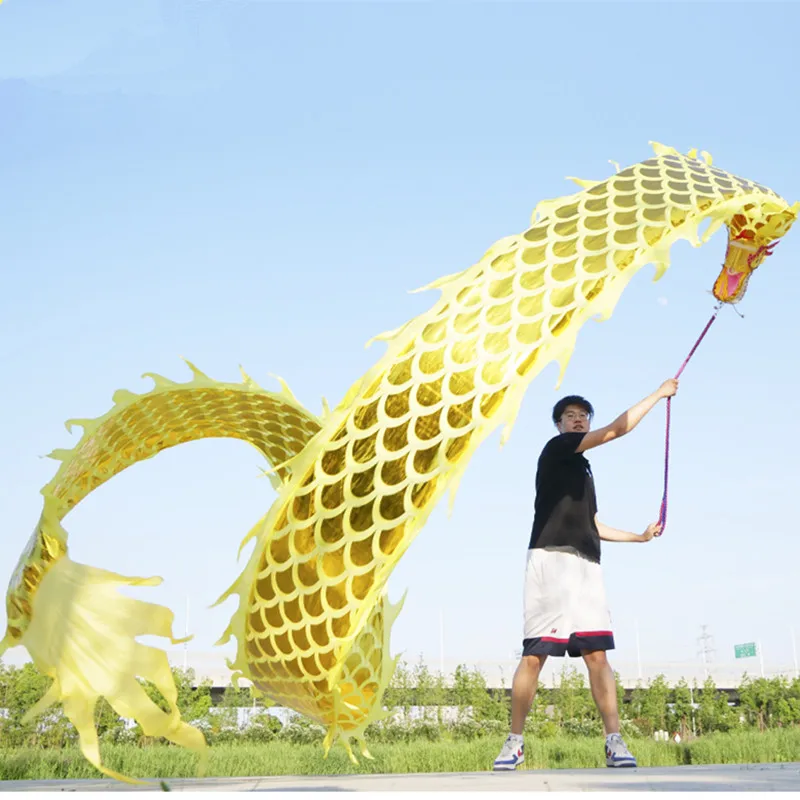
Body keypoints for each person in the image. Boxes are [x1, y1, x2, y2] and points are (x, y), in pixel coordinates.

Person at [493, 378, 679, 771]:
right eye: (570, 416)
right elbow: (618, 429)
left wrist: (639, 537)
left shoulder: (583, 469)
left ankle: (614, 742)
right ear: (560, 425)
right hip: (551, 560)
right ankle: (514, 742)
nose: (577, 421)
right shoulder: (558, 449)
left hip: (587, 566)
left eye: (582, 416)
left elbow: (594, 525)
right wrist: (659, 394)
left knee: (597, 655)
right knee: (534, 656)